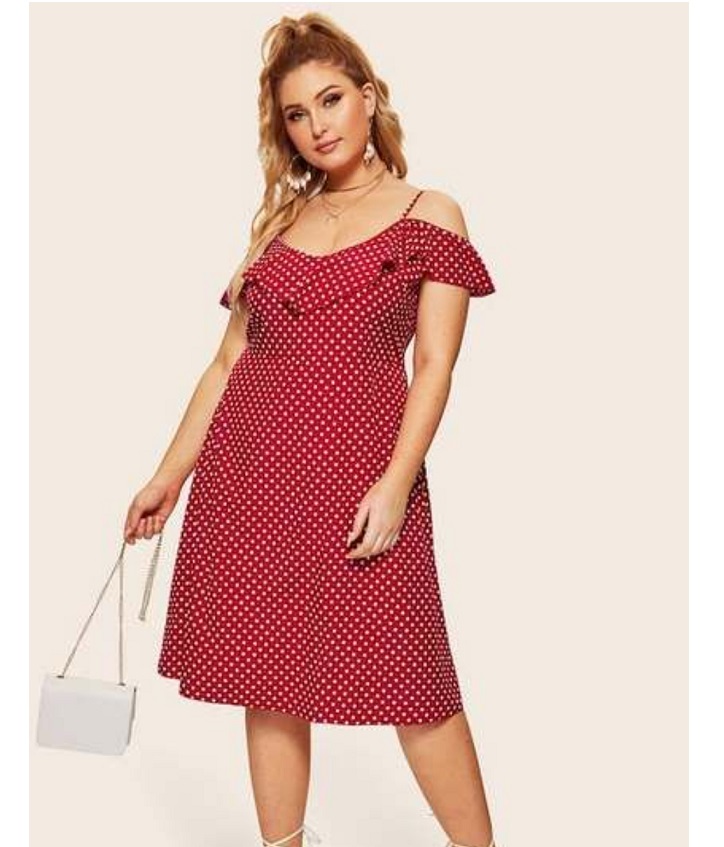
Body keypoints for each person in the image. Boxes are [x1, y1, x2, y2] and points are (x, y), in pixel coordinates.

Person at [124, 13, 497, 847]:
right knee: (268, 679)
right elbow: (227, 363)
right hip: (251, 480)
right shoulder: (277, 226)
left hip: (364, 479)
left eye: (331, 99)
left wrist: (395, 482)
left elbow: (435, 365)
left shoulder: (430, 213)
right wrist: (167, 476)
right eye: (297, 113)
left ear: (368, 97)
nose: (318, 125)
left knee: (414, 679)